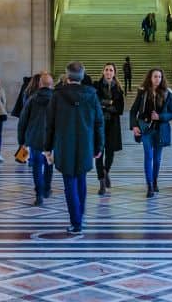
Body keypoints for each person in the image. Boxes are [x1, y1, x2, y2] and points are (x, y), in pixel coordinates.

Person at [45, 61, 104, 234]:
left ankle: (76, 222)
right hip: (85, 144)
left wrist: (47, 148)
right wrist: (98, 146)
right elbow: (99, 123)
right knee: (82, 180)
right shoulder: (92, 95)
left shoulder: (57, 95)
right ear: (82, 75)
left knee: (69, 183)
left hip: (64, 145)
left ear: (67, 75)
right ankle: (81, 216)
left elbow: (50, 124)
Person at [130, 68, 172, 198]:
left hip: (160, 130)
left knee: (157, 159)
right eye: (155, 76)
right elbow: (133, 111)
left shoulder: (167, 94)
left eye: (160, 77)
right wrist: (134, 125)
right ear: (150, 78)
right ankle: (149, 185)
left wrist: (160, 117)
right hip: (146, 130)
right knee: (148, 156)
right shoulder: (143, 92)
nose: (157, 79)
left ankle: (155, 180)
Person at [18, 72, 54, 206]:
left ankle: (39, 195)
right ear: (51, 85)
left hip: (34, 139)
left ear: (39, 84)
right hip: (50, 140)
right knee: (49, 163)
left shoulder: (32, 99)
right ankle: (47, 189)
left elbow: (23, 121)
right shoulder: (56, 99)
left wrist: (21, 140)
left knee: (37, 166)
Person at [95, 63, 125, 195]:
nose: (108, 72)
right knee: (99, 153)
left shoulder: (118, 89)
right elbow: (95, 103)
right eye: (106, 70)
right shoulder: (96, 86)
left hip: (113, 124)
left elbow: (120, 109)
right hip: (99, 124)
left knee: (110, 152)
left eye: (111, 70)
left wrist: (105, 105)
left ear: (114, 73)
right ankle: (101, 181)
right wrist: (110, 103)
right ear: (103, 72)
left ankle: (106, 171)